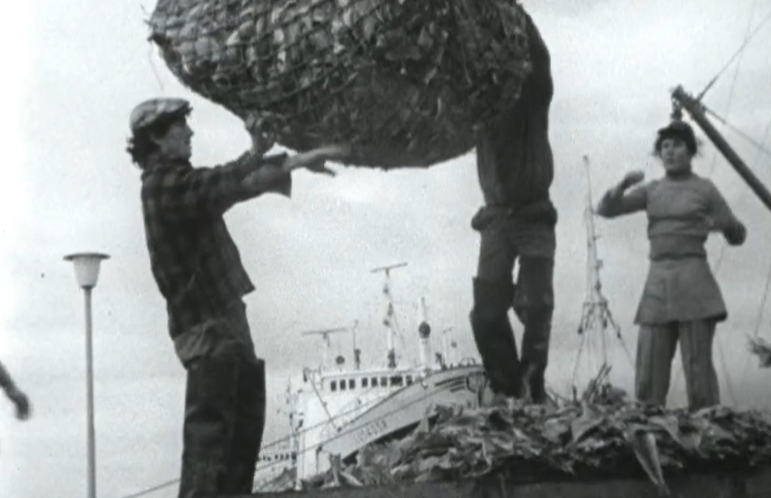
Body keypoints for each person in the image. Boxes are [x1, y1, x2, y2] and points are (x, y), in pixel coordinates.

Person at [127, 98, 347, 498]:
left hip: (226, 325)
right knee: (210, 456)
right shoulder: (162, 186)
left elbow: (237, 184)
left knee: (239, 451)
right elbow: (220, 184)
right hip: (209, 333)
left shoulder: (179, 182)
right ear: (157, 139)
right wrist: (269, 156)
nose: (191, 133)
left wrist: (283, 162)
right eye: (180, 127)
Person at [596, 120, 747, 411]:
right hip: (658, 282)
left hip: (695, 283)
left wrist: (718, 225)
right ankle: (650, 440)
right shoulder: (651, 190)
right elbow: (606, 210)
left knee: (698, 370)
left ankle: (709, 438)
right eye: (665, 146)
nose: (670, 151)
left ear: (690, 151)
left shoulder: (705, 190)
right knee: (649, 373)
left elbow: (738, 234)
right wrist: (624, 183)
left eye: (677, 145)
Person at [469, 13, 556, 405]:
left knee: (535, 303)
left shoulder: (534, 98)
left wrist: (511, 11)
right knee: (486, 314)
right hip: (495, 221)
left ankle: (532, 382)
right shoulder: (479, 115)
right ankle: (509, 388)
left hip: (534, 216)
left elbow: (539, 60)